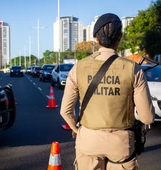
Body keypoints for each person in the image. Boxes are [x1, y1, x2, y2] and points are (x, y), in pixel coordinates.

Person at [60, 13, 155, 170]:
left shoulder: (78, 68)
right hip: (121, 145)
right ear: (120, 37)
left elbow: (65, 111)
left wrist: (79, 130)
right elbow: (148, 117)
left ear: (96, 39)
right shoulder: (133, 69)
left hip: (88, 142)